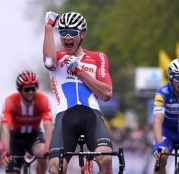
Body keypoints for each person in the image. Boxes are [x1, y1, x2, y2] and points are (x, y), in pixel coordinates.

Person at [43, 11, 113, 174]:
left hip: (92, 116)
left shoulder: (98, 57)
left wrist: (79, 71)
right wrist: (48, 27)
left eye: (73, 33)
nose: (67, 37)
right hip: (65, 118)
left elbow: (107, 93)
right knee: (55, 168)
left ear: (82, 34)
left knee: (107, 159)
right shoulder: (57, 57)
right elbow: (48, 61)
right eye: (63, 33)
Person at [1, 70, 53, 174]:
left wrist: (48, 148)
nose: (30, 92)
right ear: (19, 90)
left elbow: (48, 125)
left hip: (34, 135)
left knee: (42, 153)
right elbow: (5, 127)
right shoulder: (10, 101)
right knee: (12, 168)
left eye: (33, 89)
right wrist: (6, 150)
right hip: (16, 136)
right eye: (27, 89)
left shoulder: (42, 100)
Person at [152, 58, 179, 174]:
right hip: (167, 132)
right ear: (171, 78)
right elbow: (157, 121)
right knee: (161, 158)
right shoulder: (162, 93)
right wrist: (159, 145)